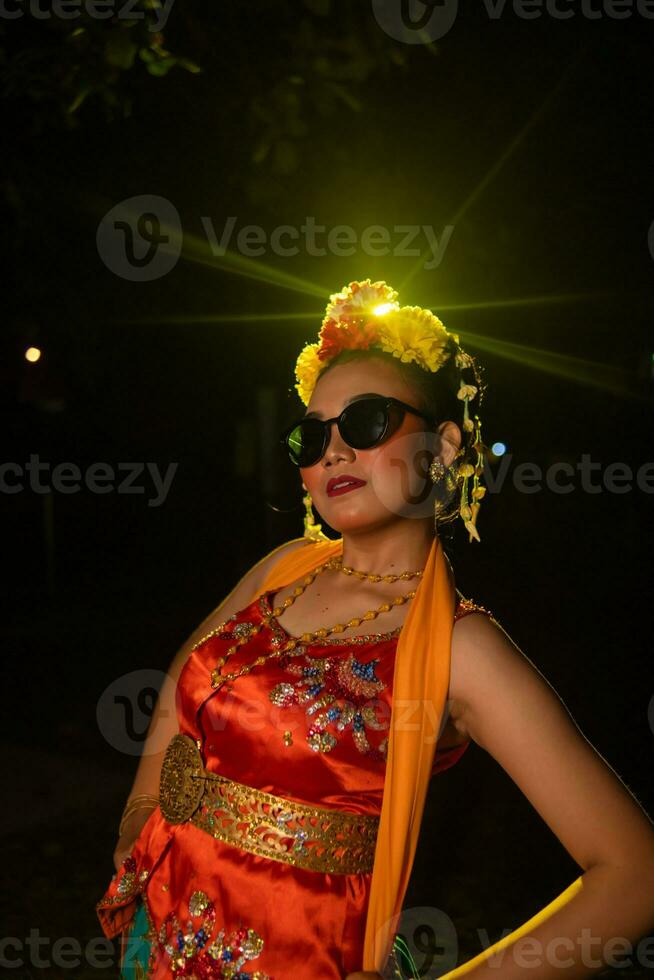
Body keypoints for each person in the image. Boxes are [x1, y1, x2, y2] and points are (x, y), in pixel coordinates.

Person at [97, 280, 654, 979]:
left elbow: (636, 875)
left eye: (365, 423)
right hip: (163, 933)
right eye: (312, 434)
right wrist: (139, 813)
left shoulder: (463, 649)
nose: (331, 451)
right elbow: (185, 675)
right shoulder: (281, 568)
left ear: (443, 445)